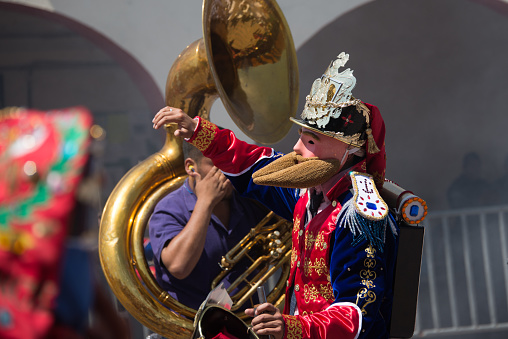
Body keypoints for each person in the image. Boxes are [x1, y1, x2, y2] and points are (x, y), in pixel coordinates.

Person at [152, 52, 399, 339]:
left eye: (310, 141)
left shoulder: (359, 215)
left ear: (349, 151)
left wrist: (292, 328)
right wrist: (198, 131)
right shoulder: (309, 193)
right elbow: (253, 164)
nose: (296, 148)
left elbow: (357, 314)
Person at [148, 141, 269, 310]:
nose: (228, 171)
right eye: (218, 163)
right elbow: (178, 266)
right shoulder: (169, 208)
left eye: (231, 162)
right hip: (192, 330)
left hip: (248, 325)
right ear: (191, 168)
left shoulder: (247, 201)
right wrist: (205, 203)